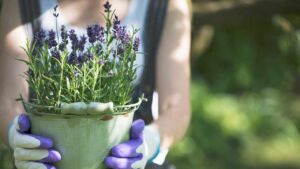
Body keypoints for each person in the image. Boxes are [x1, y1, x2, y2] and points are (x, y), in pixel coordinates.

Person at [0, 0, 191, 168]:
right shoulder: (21, 2)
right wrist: (16, 135)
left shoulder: (166, 4)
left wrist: (149, 142)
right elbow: (8, 102)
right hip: (47, 161)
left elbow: (176, 108)